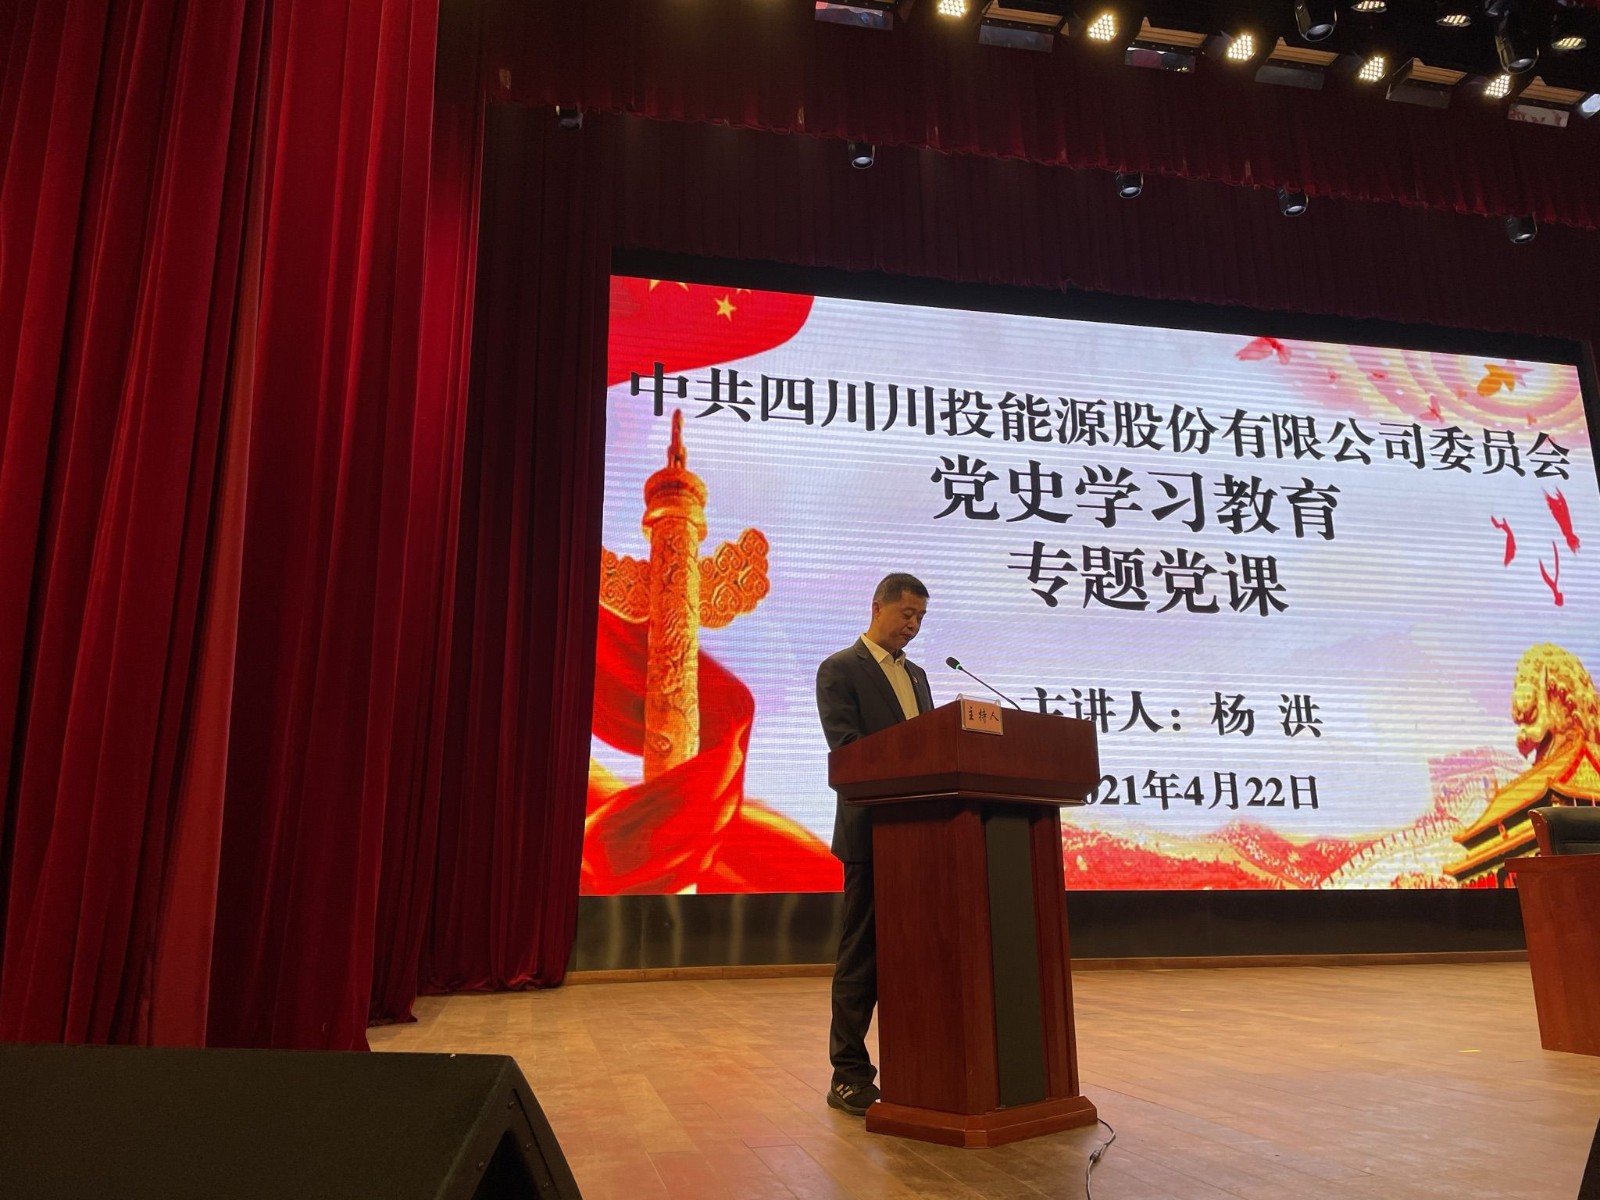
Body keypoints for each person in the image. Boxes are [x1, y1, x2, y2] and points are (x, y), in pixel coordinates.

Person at [814, 572, 933, 1116]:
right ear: (877, 607)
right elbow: (849, 752)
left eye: (921, 617)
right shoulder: (841, 669)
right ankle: (848, 1074)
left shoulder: (919, 676)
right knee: (861, 958)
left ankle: (918, 1064)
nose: (913, 625)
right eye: (906, 613)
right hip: (871, 834)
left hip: (922, 837)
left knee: (916, 956)